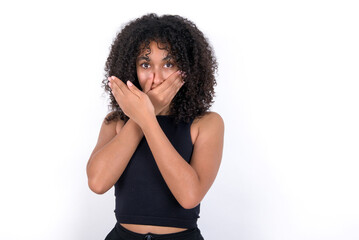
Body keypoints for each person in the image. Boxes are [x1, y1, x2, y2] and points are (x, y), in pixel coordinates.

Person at [86, 13, 224, 240]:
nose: (156, 76)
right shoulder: (116, 121)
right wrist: (140, 117)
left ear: (187, 68)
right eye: (145, 64)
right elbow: (97, 183)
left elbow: (189, 197)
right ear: (132, 68)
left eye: (168, 63)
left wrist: (149, 118)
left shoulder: (207, 123)